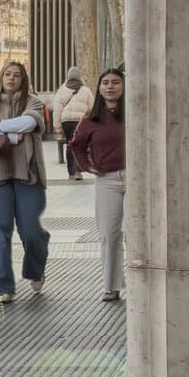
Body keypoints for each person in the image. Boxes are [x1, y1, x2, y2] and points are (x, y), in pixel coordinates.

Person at [0, 61, 51, 303]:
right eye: (7, 74)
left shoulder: (33, 101)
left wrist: (0, 128)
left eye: (17, 75)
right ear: (1, 77)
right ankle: (4, 285)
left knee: (31, 231)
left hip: (29, 175)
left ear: (23, 79)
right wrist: (14, 135)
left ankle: (35, 270)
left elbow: (31, 122)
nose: (11, 78)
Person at [71, 67, 126, 302]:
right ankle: (111, 286)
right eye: (105, 83)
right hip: (108, 180)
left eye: (115, 82)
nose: (110, 86)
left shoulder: (136, 111)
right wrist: (87, 166)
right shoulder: (91, 117)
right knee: (108, 233)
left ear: (124, 86)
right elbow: (76, 145)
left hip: (137, 179)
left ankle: (142, 282)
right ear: (99, 88)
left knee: (137, 233)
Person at [52, 68, 96, 179]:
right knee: (80, 146)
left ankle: (71, 173)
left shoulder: (61, 90)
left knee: (70, 145)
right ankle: (77, 171)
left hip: (66, 121)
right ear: (79, 76)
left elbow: (57, 109)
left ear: (68, 76)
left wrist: (57, 126)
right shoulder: (85, 90)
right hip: (81, 122)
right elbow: (92, 107)